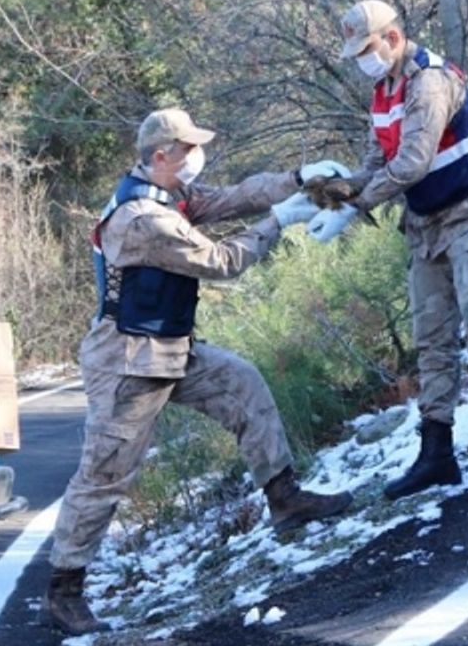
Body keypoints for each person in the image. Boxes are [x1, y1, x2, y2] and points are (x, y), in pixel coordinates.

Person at [45, 108, 354, 637]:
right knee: (105, 475)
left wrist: (296, 179)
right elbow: (220, 261)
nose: (196, 157)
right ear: (160, 156)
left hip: (169, 347)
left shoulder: (169, 194)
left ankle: (285, 498)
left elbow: (233, 197)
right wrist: (280, 221)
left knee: (242, 383)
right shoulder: (143, 218)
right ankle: (63, 592)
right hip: (128, 361)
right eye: (187, 149)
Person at [318, 0, 468, 501]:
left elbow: (412, 161)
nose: (362, 61)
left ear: (391, 38)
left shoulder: (429, 81)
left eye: (365, 49)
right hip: (426, 224)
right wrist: (342, 187)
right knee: (431, 338)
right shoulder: (383, 90)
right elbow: (377, 158)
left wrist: (359, 204)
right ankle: (437, 453)